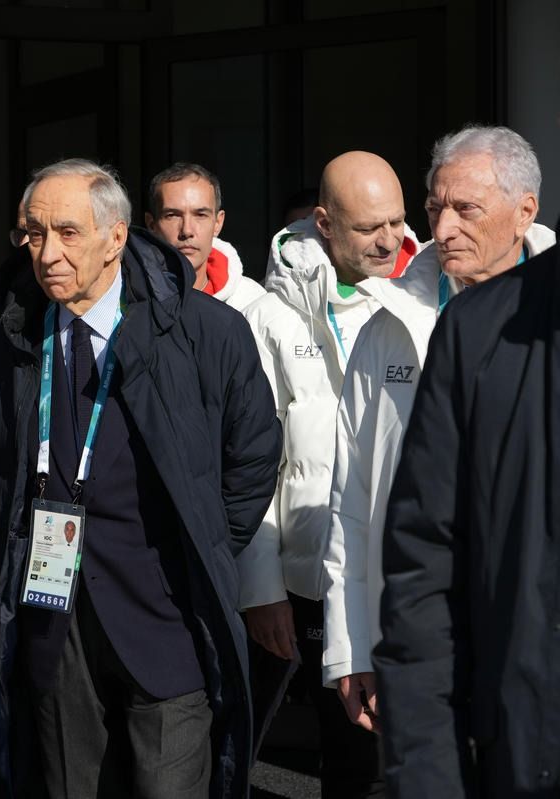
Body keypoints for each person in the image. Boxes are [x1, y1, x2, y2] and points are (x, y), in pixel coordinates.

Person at [0, 158, 280, 798]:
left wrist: (201, 549)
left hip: (166, 620)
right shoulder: (7, 334)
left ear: (115, 238)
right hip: (52, 626)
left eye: (67, 233)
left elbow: (251, 458)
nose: (47, 253)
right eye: (34, 233)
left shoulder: (203, 331)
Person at [322, 126, 554, 738]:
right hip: (420, 636)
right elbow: (350, 502)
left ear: (525, 211)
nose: (442, 229)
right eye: (434, 209)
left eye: (465, 209)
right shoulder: (386, 326)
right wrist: (352, 647)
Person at [240, 151, 421, 796]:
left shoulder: (425, 298)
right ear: (324, 223)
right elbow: (251, 458)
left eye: (397, 221)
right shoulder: (270, 314)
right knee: (347, 757)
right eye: (369, 227)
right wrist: (261, 586)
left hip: (410, 569)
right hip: (312, 573)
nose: (389, 240)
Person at [144, 162, 265, 310]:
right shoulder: (126, 297)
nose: (187, 230)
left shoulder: (252, 303)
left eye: (200, 215)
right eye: (173, 215)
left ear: (218, 223)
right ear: (151, 225)